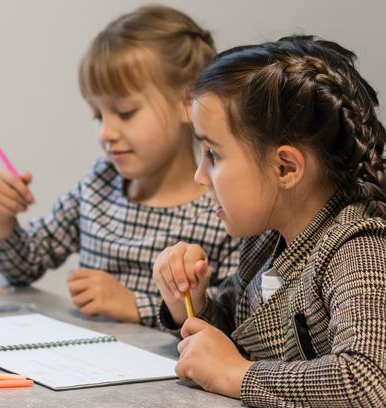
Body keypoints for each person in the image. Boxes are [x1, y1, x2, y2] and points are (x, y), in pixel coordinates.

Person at [0, 5, 239, 327]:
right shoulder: (100, 183)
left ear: (187, 104)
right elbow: (24, 265)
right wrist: (3, 217)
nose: (106, 134)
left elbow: (230, 325)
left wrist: (135, 306)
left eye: (125, 112)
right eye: (98, 116)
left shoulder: (223, 212)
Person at [153, 35, 386, 405]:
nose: (199, 176)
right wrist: (190, 303)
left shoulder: (356, 247)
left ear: (286, 167)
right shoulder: (266, 240)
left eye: (212, 154)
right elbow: (236, 333)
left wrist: (237, 375)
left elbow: (369, 381)